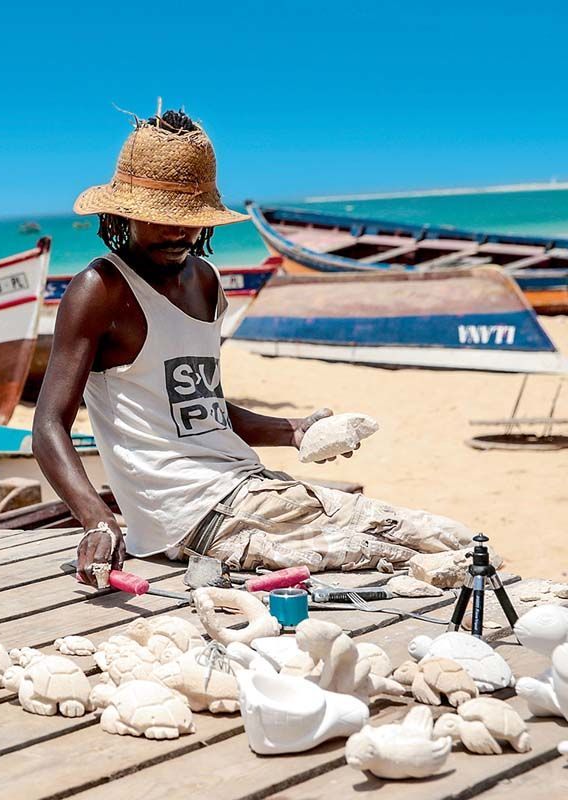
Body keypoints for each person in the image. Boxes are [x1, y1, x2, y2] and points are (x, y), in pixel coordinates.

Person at [32, 107, 474, 587]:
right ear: (124, 212)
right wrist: (97, 519)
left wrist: (294, 430)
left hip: (250, 488)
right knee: (411, 561)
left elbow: (201, 408)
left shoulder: (205, 281)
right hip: (191, 518)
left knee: (450, 538)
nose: (179, 233)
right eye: (162, 219)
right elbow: (49, 425)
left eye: (190, 220)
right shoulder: (100, 290)